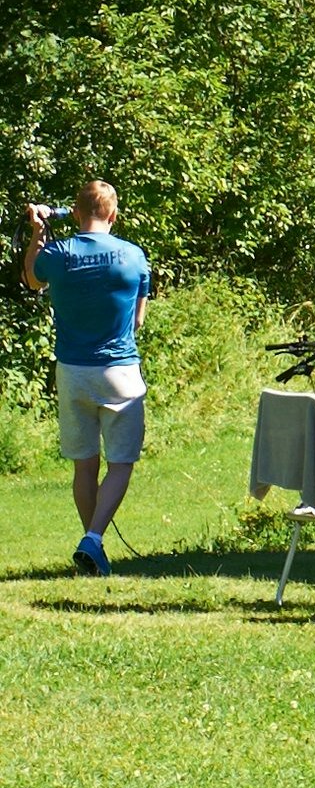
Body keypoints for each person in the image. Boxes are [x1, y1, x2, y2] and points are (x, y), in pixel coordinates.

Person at [20, 182, 154, 575]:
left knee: (84, 465)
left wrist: (37, 230)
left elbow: (32, 278)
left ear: (75, 214)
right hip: (120, 371)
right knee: (121, 462)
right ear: (113, 215)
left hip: (73, 371)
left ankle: (91, 544)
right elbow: (139, 319)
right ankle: (92, 540)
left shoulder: (58, 254)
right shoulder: (133, 256)